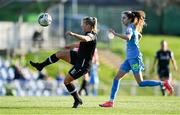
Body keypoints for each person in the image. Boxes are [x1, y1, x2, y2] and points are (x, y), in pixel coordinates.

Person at [99, 10, 174, 107]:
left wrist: (115, 34)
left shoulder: (130, 27)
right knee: (116, 78)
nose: (122, 20)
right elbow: (139, 36)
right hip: (129, 59)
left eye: (124, 18)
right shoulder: (133, 27)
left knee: (141, 83)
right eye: (122, 18)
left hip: (134, 58)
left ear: (130, 19)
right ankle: (110, 101)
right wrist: (136, 42)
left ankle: (163, 83)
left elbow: (128, 37)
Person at [30, 16, 97, 108]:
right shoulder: (87, 33)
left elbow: (86, 39)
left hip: (83, 64)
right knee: (60, 54)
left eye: (83, 24)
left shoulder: (92, 35)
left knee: (66, 81)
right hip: (78, 57)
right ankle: (40, 65)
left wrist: (73, 34)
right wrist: (69, 46)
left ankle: (77, 99)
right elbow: (81, 43)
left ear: (89, 25)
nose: (82, 25)